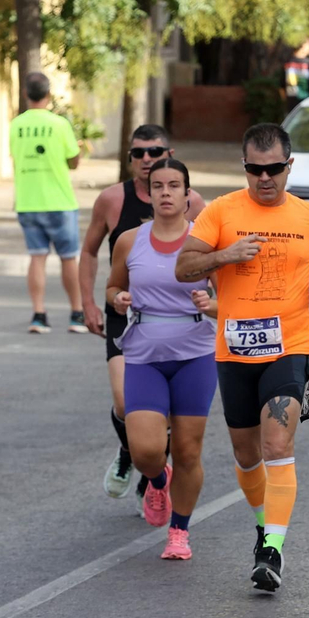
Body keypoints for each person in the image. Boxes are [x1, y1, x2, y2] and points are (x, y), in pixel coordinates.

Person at [176, 123, 309, 591]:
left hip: (290, 347)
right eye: (255, 169)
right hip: (234, 350)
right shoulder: (220, 212)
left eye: (273, 169)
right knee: (246, 452)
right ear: (245, 168)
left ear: (289, 166)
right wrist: (224, 255)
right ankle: (262, 523)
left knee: (278, 444)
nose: (264, 178)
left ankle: (272, 547)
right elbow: (183, 266)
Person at [80, 124, 208, 504]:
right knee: (124, 402)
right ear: (131, 159)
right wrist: (88, 303)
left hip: (180, 321)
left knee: (163, 416)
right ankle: (131, 453)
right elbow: (88, 251)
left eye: (155, 152)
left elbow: (210, 254)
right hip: (128, 311)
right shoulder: (111, 200)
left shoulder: (194, 203)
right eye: (139, 154)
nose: (147, 160)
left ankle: (151, 468)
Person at [103, 158, 218, 559]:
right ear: (148, 195)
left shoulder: (204, 242)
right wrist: (117, 298)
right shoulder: (130, 240)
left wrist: (212, 305)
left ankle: (179, 533)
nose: (166, 192)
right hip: (144, 354)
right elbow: (114, 285)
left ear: (188, 194)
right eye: (158, 186)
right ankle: (156, 480)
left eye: (174, 185)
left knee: (187, 451)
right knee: (146, 451)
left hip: (195, 355)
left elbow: (231, 302)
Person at [9, 72, 85, 335]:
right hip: (60, 200)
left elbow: (15, 158)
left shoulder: (16, 125)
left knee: (37, 258)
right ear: (48, 95)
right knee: (68, 259)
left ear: (25, 94)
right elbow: (73, 160)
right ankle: (77, 314)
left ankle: (39, 315)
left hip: (28, 201)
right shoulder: (59, 124)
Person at [280, 39, 309, 114]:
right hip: (308, 107)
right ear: (303, 45)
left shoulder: (287, 64)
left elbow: (282, 88)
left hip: (291, 108)